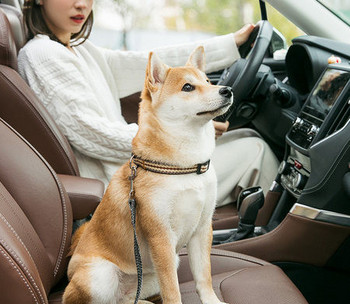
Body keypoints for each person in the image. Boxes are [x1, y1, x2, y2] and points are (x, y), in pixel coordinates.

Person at [18, 0, 279, 207]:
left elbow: (148, 63)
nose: (82, 4)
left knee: (246, 135)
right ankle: (276, 245)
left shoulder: (79, 49)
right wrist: (185, 133)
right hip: (128, 184)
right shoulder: (43, 54)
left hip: (137, 168)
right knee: (256, 150)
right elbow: (92, 134)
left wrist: (229, 44)